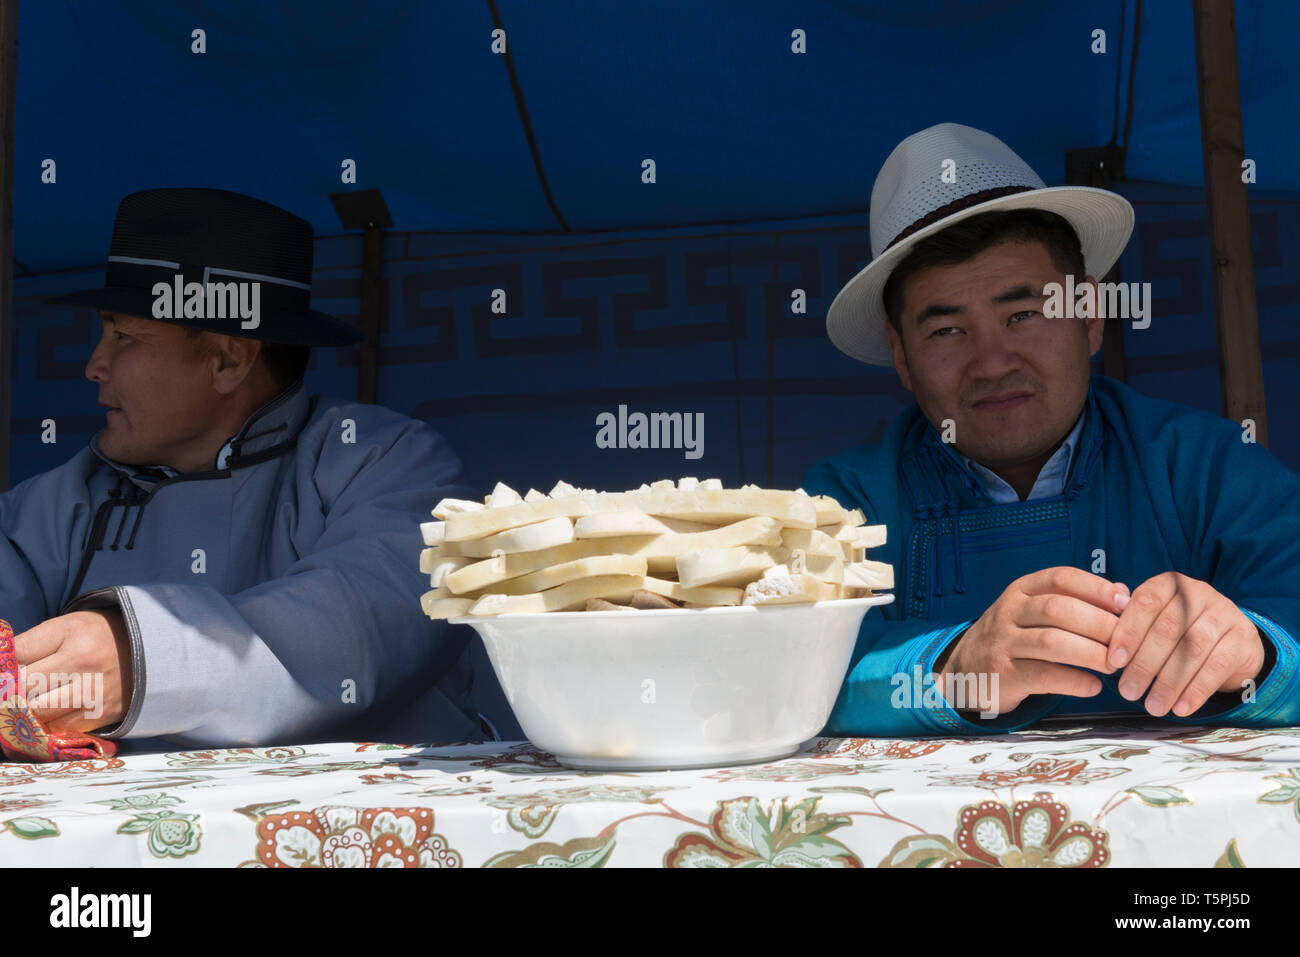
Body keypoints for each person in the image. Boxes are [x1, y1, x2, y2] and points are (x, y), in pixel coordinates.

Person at [804, 123, 1300, 734]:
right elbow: (784, 672)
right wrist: (954, 667)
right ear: (901, 355)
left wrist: (1256, 650)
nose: (993, 362)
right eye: (947, 330)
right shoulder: (842, 507)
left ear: (1089, 317)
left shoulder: (1210, 467)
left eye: (1024, 314)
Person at [1, 188, 484, 751]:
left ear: (229, 359)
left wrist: (143, 658)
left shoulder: (386, 460)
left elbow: (368, 622)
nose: (93, 365)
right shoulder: (52, 508)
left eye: (125, 335)